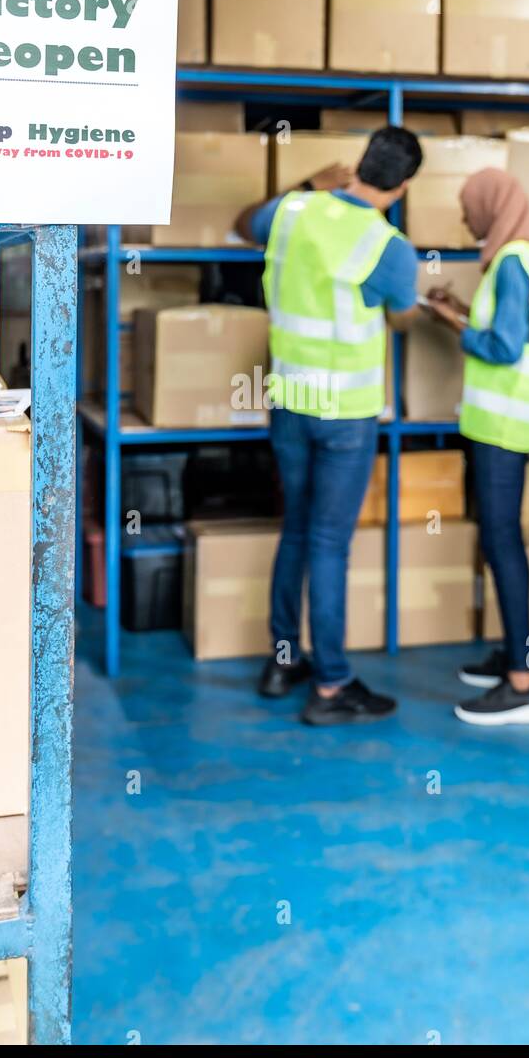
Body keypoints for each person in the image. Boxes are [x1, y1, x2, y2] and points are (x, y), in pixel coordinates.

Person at [235, 126, 425, 726]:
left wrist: (307, 184)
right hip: (345, 412)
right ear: (403, 186)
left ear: (358, 165)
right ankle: (332, 686)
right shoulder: (389, 246)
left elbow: (244, 224)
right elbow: (402, 320)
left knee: (295, 530)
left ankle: (282, 661)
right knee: (328, 544)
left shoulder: (292, 211)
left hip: (289, 400)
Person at [426, 167, 529, 727]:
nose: (465, 219)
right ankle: (512, 655)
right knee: (496, 536)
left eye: (470, 208)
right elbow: (518, 333)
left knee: (502, 542)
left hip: (503, 426)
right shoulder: (524, 255)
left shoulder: (511, 263)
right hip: (502, 422)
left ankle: (522, 684)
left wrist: (451, 325)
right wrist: (458, 312)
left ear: (492, 206)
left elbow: (505, 347)